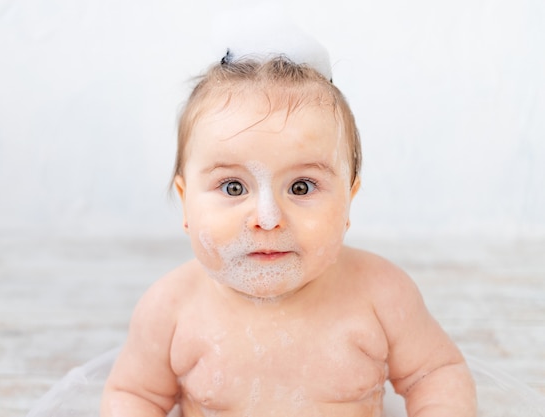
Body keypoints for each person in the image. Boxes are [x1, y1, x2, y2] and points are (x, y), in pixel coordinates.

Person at [100, 20, 477, 417]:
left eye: (301, 187)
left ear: (349, 200)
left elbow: (434, 374)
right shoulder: (170, 308)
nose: (267, 218)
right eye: (233, 187)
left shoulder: (381, 294)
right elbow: (135, 395)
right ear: (185, 202)